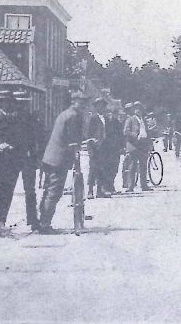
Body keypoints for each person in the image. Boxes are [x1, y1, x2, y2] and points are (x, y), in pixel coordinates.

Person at [37, 91, 88, 234]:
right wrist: (77, 150)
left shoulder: (64, 114)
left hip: (50, 157)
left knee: (48, 190)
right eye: (81, 102)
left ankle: (42, 221)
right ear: (74, 101)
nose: (83, 105)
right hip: (59, 159)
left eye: (84, 102)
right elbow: (72, 140)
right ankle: (44, 224)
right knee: (54, 192)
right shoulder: (73, 116)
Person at [0, 90, 32, 234]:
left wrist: (22, 152)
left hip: (13, 160)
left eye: (10, 102)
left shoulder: (17, 118)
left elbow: (22, 138)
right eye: (5, 101)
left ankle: (2, 220)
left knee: (8, 190)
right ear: (0, 102)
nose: (8, 104)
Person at [13, 91, 41, 229]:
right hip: (11, 157)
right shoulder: (10, 118)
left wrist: (35, 154)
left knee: (30, 189)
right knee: (5, 188)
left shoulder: (32, 119)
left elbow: (37, 138)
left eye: (24, 103)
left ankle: (32, 218)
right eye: (19, 103)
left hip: (28, 157)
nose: (22, 106)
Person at [123, 101, 153, 192]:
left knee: (143, 165)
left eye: (140, 108)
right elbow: (126, 131)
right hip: (134, 144)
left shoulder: (143, 120)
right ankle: (130, 186)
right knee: (133, 165)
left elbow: (147, 132)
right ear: (134, 110)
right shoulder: (130, 119)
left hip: (143, 144)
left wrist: (149, 143)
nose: (138, 110)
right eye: (136, 108)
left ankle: (144, 185)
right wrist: (136, 135)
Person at [85, 98, 110, 199]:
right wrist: (91, 144)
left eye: (103, 106)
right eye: (99, 106)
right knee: (93, 169)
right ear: (96, 107)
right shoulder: (93, 118)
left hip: (104, 147)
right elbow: (88, 134)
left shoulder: (107, 118)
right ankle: (90, 191)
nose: (101, 108)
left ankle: (100, 191)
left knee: (102, 169)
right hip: (94, 147)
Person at [101, 106, 125, 194]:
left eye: (113, 113)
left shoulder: (117, 123)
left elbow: (121, 136)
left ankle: (111, 185)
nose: (110, 114)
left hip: (116, 149)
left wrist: (122, 147)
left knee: (114, 168)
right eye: (109, 112)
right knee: (106, 167)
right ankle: (105, 187)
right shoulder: (104, 122)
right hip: (106, 148)